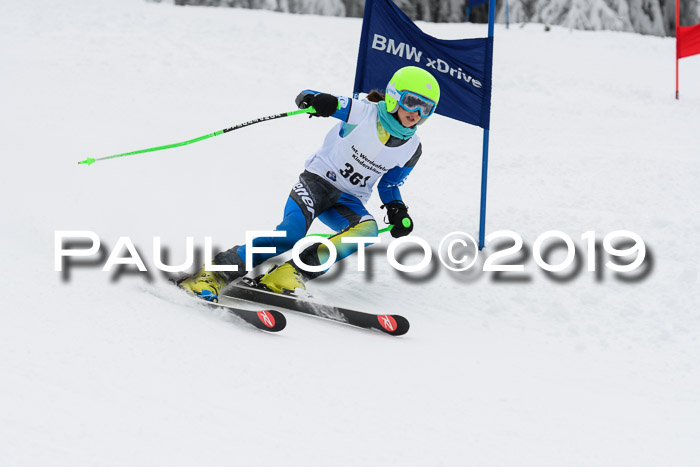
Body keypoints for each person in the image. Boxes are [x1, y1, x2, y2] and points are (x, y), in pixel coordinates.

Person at [179, 65, 441, 301]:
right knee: (290, 235)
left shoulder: (413, 148)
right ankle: (213, 273)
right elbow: (311, 94)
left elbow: (389, 185)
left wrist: (397, 209)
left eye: (426, 108)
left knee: (367, 232)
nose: (417, 113)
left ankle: (287, 275)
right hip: (316, 184)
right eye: (412, 102)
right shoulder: (363, 111)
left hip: (348, 200)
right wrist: (316, 101)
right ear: (395, 95)